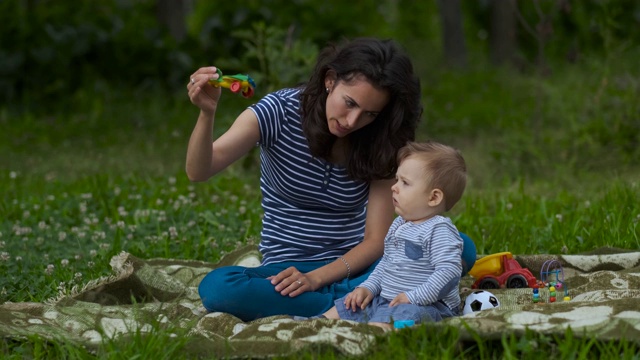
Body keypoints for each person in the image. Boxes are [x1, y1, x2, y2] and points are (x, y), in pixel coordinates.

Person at [186, 37, 474, 321]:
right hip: (286, 270)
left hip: (358, 265)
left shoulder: (381, 139)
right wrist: (206, 114)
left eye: (369, 114)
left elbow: (376, 240)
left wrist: (316, 279)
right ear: (330, 80)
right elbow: (199, 170)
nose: (352, 121)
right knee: (219, 289)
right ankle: (356, 306)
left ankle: (347, 303)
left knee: (460, 247)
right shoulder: (278, 111)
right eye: (349, 103)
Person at [319, 141, 467, 329]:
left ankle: (372, 334)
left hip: (428, 305)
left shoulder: (438, 230)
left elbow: (449, 273)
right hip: (389, 298)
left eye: (405, 183)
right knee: (352, 304)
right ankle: (317, 324)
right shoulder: (399, 224)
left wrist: (413, 297)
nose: (394, 187)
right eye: (397, 180)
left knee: (405, 314)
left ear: (433, 198)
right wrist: (368, 288)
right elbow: (386, 264)